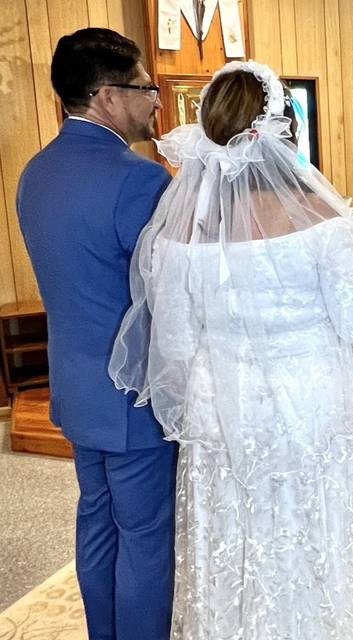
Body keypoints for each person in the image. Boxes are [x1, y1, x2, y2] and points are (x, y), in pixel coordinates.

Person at [109, 60, 353, 639]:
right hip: (308, 405)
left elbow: (171, 343)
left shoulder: (177, 233)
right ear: (282, 133)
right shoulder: (323, 222)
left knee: (231, 536)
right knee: (315, 536)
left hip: (221, 412)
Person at [15, 28, 175, 640]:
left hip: (77, 389)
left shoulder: (36, 172)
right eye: (144, 87)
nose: (154, 100)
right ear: (107, 96)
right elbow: (172, 296)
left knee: (98, 520)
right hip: (133, 394)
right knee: (144, 535)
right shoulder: (138, 179)